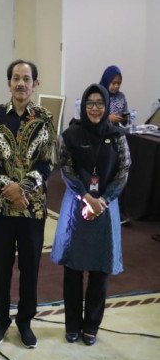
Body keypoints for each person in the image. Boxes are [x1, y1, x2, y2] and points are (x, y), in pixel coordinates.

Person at [52, 84, 130, 346]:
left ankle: (91, 326)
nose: (95, 108)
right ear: (83, 106)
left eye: (100, 103)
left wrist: (103, 201)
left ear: (107, 106)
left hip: (106, 209)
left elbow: (123, 171)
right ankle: (72, 324)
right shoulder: (71, 134)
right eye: (90, 103)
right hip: (77, 205)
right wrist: (86, 197)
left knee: (99, 270)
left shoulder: (117, 136)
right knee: (73, 269)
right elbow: (66, 168)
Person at [0, 60, 54, 348]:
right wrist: (9, 189)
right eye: (16, 78)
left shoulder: (45, 118)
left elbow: (47, 161)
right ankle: (1, 320)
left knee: (30, 266)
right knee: (3, 266)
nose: (21, 84)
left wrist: (22, 189)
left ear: (35, 84)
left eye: (27, 79)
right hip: (2, 208)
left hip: (32, 208)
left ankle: (25, 322)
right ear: (8, 82)